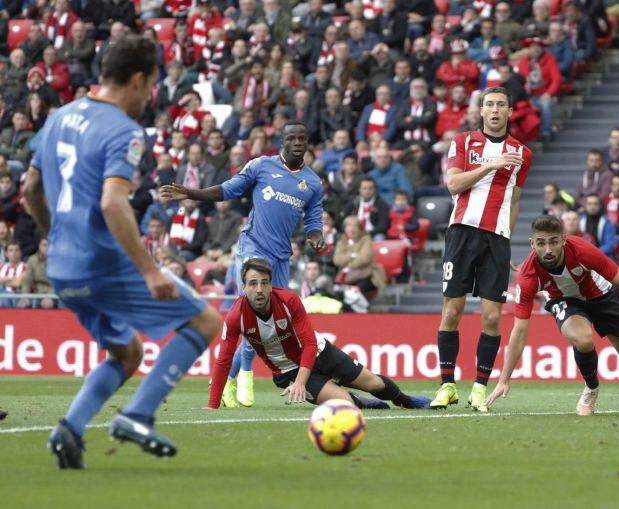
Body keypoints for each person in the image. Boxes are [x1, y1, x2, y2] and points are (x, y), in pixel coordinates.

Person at [22, 35, 223, 469]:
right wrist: (151, 270)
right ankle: (137, 414)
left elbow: (31, 188)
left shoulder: (59, 116)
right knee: (207, 320)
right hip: (99, 260)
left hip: (61, 265)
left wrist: (56, 233)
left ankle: (70, 430)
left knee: (127, 352)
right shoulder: (123, 130)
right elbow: (113, 203)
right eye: (150, 85)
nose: (149, 96)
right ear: (137, 80)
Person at [158, 120, 326, 409]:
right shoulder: (261, 165)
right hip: (252, 246)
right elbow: (227, 190)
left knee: (268, 321)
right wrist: (191, 194)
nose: (298, 143)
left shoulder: (311, 183)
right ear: (282, 142)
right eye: (292, 138)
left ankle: (228, 379)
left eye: (303, 138)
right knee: (251, 308)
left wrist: (315, 236)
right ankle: (245, 373)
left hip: (281, 257)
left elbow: (313, 219)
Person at [484, 215, 619, 415]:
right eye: (541, 243)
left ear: (564, 239)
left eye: (553, 241)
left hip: (602, 295)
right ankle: (591, 389)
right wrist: (504, 379)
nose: (548, 249)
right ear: (532, 244)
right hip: (565, 301)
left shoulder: (582, 251)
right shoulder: (527, 276)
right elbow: (519, 330)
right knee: (583, 340)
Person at [208, 258, 429, 410]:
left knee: (375, 384)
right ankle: (362, 402)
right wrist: (212, 405)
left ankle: (406, 400)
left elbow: (310, 343)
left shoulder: (288, 300)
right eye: (253, 284)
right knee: (345, 404)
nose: (259, 289)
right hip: (288, 372)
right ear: (244, 287)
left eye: (264, 283)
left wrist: (301, 383)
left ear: (270, 284)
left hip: (321, 352)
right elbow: (224, 360)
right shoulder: (236, 316)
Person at [432, 87, 533, 412]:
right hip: (461, 233)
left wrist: (507, 238)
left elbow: (514, 200)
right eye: (489, 104)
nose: (494, 110)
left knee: (491, 317)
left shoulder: (521, 153)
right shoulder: (462, 142)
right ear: (481, 110)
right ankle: (447, 385)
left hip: (496, 240)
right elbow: (454, 185)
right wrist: (492, 165)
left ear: (508, 110)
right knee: (451, 311)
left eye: (500, 104)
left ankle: (479, 388)